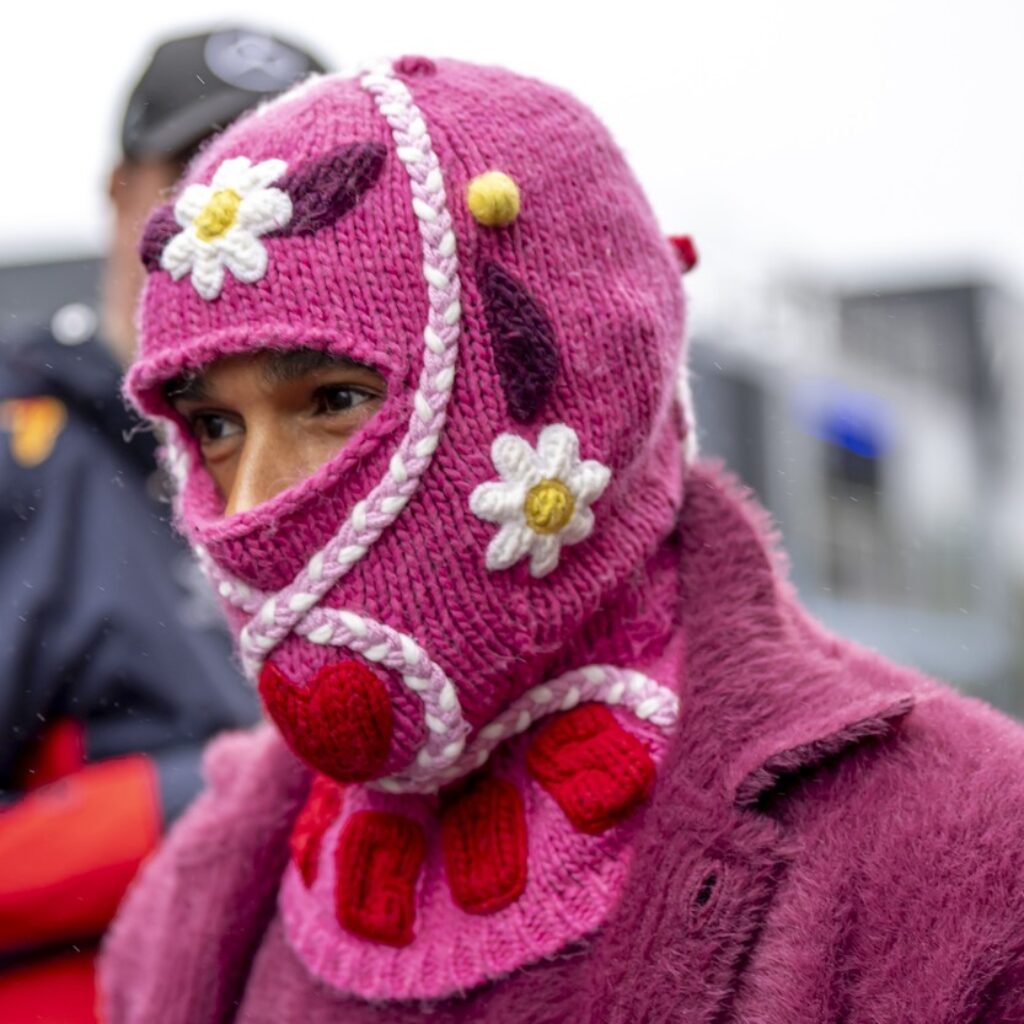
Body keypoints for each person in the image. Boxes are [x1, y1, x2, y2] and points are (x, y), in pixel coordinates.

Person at [100, 57, 1024, 1022]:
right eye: (214, 426)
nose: (250, 504)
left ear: (588, 390)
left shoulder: (967, 859)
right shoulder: (202, 889)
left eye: (333, 402)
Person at [0, 27, 324, 1022]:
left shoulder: (373, 476)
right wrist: (224, 795)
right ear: (120, 194)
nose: (239, 225)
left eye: (289, 192)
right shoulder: (20, 446)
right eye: (201, 177)